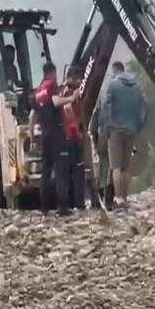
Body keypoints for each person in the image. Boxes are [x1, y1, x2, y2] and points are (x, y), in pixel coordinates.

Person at [33, 62, 78, 216]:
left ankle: (44, 206)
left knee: (46, 170)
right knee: (61, 170)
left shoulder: (38, 89)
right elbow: (56, 102)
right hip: (57, 133)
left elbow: (33, 114)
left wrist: (33, 136)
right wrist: (72, 97)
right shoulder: (51, 85)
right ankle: (62, 205)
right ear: (52, 73)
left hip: (44, 134)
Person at [103, 61, 147, 206]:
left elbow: (106, 107)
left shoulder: (113, 84)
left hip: (116, 129)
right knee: (126, 166)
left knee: (115, 166)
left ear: (115, 70)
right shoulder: (136, 85)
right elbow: (144, 106)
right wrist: (139, 124)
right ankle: (125, 196)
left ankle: (118, 197)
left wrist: (105, 126)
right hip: (132, 129)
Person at [60, 66, 86, 209]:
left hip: (68, 136)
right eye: (78, 78)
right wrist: (76, 125)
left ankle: (72, 202)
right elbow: (67, 108)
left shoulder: (64, 91)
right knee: (77, 169)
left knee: (71, 170)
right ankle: (78, 202)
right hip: (72, 135)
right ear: (71, 77)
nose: (81, 81)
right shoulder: (70, 92)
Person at [89, 98, 115, 210]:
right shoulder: (116, 107)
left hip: (102, 137)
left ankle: (99, 198)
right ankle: (110, 197)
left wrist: (95, 143)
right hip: (117, 135)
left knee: (102, 168)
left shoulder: (99, 107)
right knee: (114, 167)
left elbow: (92, 127)